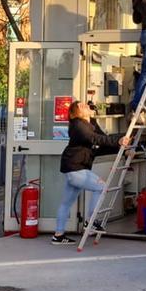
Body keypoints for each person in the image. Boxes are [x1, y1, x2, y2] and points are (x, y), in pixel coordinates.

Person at [51, 101, 131, 244]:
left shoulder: (91, 123)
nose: (86, 106)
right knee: (101, 187)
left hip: (76, 167)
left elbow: (103, 140)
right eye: (81, 106)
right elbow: (96, 139)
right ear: (77, 113)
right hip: (75, 167)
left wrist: (122, 149)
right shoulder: (78, 125)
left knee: (66, 203)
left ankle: (58, 235)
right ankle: (92, 221)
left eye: (85, 104)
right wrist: (118, 142)